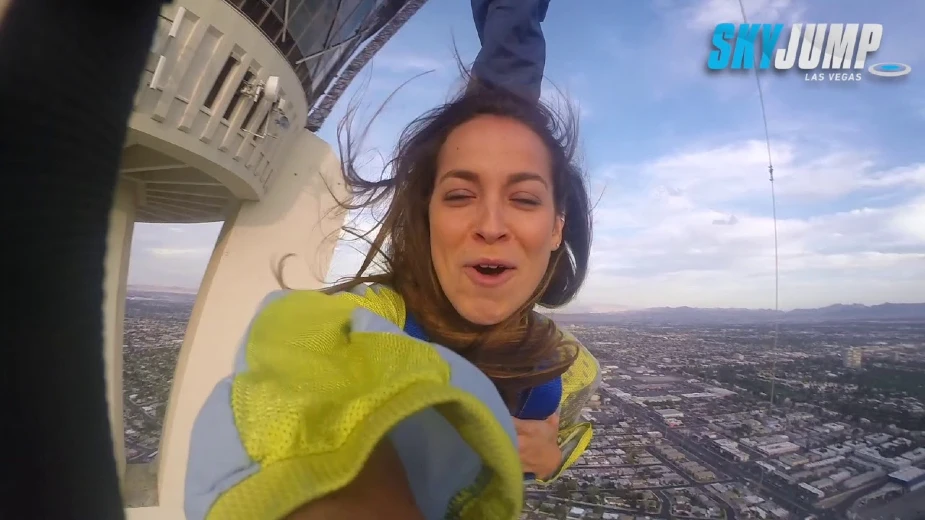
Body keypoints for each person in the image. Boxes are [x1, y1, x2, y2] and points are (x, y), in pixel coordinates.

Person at [184, 1, 600, 519]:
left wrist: (553, 456)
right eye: (458, 196)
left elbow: (570, 434)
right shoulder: (364, 325)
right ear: (426, 220)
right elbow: (300, 402)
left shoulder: (563, 364)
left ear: (558, 227)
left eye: (524, 199)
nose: (491, 225)